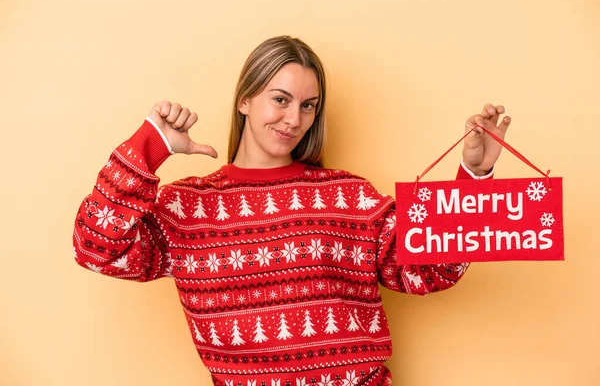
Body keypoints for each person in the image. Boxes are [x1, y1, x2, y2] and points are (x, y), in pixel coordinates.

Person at [73, 35, 511, 385]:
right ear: (244, 99)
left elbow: (432, 269)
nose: (294, 120)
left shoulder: (348, 197)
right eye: (280, 99)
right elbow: (95, 249)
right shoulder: (187, 208)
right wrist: (153, 146)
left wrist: (473, 173)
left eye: (308, 106)